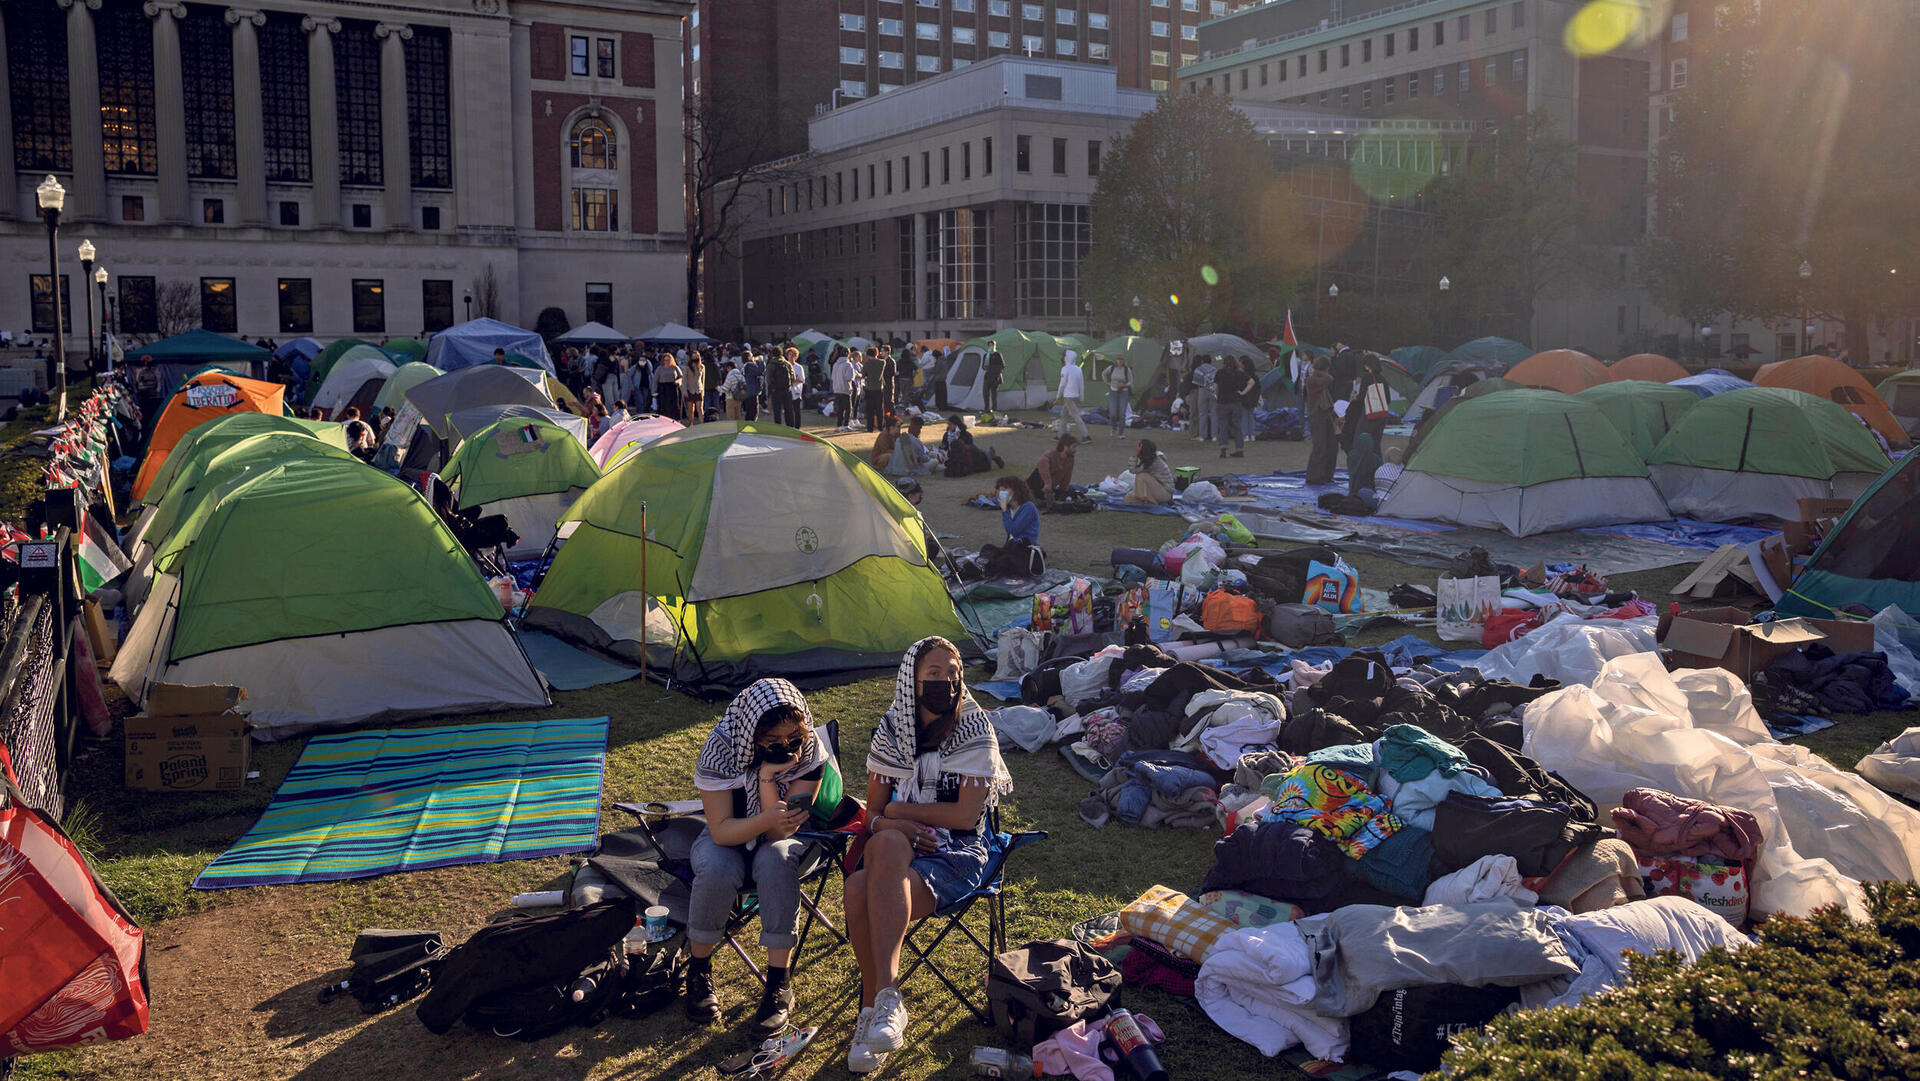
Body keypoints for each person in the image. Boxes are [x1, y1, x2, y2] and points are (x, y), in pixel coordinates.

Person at [843, 637, 1012, 1074]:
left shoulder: (974, 727)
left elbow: (963, 815)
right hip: (896, 852)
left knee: (861, 886)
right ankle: (884, 1003)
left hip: (958, 849)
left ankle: (874, 1004)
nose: (947, 682)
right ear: (912, 682)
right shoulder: (893, 728)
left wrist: (900, 811)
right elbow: (872, 815)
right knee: (883, 845)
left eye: (953, 674)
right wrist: (889, 822)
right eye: (935, 674)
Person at [687, 679, 837, 1037]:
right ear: (751, 734)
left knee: (776, 859)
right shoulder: (720, 749)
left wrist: (768, 781)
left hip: (784, 837)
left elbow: (779, 832)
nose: (787, 749)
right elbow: (722, 831)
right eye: (773, 743)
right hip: (728, 832)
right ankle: (699, 970)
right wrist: (766, 814)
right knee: (718, 866)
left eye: (793, 740)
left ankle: (778, 984)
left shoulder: (811, 750)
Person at [1304, 356, 1338, 486]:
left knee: (1331, 445)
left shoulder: (1315, 378)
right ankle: (1314, 476)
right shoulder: (1311, 380)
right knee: (1320, 446)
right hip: (1317, 415)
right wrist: (1319, 370)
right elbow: (1329, 379)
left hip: (1325, 413)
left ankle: (1326, 474)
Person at [1217, 356, 1256, 459]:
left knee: (1223, 426)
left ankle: (1223, 449)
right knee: (1237, 426)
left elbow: (1215, 387)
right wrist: (1243, 392)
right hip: (1236, 402)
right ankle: (1239, 449)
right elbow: (1251, 382)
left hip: (1222, 402)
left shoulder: (1220, 373)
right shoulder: (1239, 373)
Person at [1028, 434, 1079, 504]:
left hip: (1049, 489)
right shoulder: (1051, 455)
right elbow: (1042, 462)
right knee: (1039, 471)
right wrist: (1048, 483)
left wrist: (1063, 491)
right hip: (1036, 486)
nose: (1076, 450)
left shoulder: (1070, 459)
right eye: (1074, 447)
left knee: (1070, 494)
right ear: (1065, 447)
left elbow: (1067, 476)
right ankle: (1032, 497)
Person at [1124, 438, 1177, 505]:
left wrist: (1136, 455)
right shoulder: (1148, 459)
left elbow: (1133, 470)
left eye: (1138, 446)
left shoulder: (1154, 461)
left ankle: (1150, 501)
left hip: (1166, 493)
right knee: (1127, 498)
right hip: (1158, 489)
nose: (1135, 447)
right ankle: (1145, 499)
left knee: (1141, 475)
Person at [1055, 350, 1089, 441]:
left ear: (1066, 357)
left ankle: (1086, 436)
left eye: (1063, 356)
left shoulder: (1065, 369)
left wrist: (1058, 396)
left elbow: (1062, 384)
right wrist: (1081, 396)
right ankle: (1060, 435)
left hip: (1068, 396)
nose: (1062, 357)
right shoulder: (1078, 369)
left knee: (1076, 416)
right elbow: (1081, 384)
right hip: (1075, 395)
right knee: (1064, 414)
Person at [1103, 352, 1132, 437]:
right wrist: (1107, 383)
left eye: (1121, 359)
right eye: (1118, 359)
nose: (1119, 361)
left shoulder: (1127, 370)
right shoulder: (1111, 368)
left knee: (1122, 412)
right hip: (1113, 391)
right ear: (1116, 360)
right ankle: (1114, 427)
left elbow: (1131, 381)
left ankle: (1121, 432)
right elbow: (1104, 373)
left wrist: (1125, 385)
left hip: (1124, 391)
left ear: (1124, 361)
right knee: (1112, 413)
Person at [1190, 353, 1216, 443]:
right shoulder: (1214, 369)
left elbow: (1196, 381)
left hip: (1202, 391)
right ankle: (1214, 436)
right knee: (1214, 413)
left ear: (1202, 361)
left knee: (1202, 414)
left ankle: (1202, 436)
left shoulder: (1198, 369)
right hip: (1213, 391)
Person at [862, 349, 887, 433]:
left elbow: (863, 375)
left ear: (868, 355)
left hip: (869, 388)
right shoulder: (882, 362)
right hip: (879, 388)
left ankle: (870, 428)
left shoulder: (866, 364)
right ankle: (880, 427)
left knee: (870, 410)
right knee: (879, 409)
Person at [832, 350, 858, 431]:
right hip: (845, 388)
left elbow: (832, 377)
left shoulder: (835, 364)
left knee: (840, 408)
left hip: (836, 389)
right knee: (848, 408)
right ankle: (845, 425)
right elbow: (849, 377)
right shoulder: (848, 364)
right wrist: (854, 374)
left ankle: (838, 425)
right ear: (848, 354)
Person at [654, 351, 683, 421]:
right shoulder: (659, 369)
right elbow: (655, 381)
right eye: (665, 360)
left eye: (668, 360)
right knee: (664, 406)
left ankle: (675, 420)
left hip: (673, 389)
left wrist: (678, 381)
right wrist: (653, 392)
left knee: (674, 405)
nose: (667, 361)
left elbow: (682, 377)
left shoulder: (675, 368)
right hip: (663, 389)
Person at [741, 351, 763, 422]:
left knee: (749, 411)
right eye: (752, 355)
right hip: (752, 391)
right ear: (748, 357)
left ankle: (747, 425)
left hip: (747, 391)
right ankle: (751, 426)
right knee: (754, 412)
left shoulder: (745, 365)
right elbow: (760, 371)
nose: (753, 357)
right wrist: (761, 362)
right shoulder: (750, 365)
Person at [983, 347, 1005, 415]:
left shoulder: (998, 354)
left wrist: (997, 373)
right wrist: (986, 366)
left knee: (994, 393)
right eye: (989, 345)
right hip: (988, 376)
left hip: (996, 376)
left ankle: (994, 409)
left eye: (992, 345)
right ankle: (986, 409)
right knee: (985, 392)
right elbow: (983, 367)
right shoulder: (986, 355)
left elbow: (1003, 365)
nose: (991, 347)